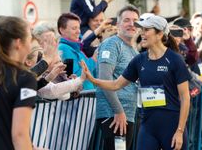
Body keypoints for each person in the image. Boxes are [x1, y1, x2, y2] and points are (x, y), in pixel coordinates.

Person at [81, 15, 191, 150]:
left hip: (171, 125)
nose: (142, 33)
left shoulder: (175, 60)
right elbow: (116, 84)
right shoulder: (139, 60)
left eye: (147, 30)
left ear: (160, 34)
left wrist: (180, 131)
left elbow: (185, 98)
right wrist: (92, 80)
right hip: (148, 126)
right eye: (142, 29)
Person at [93, 5, 139, 150]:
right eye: (126, 20)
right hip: (113, 114)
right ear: (118, 24)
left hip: (127, 114)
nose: (131, 24)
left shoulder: (133, 50)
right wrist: (118, 111)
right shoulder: (111, 44)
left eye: (135, 21)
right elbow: (105, 79)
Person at [0, 16, 37, 149]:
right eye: (30, 37)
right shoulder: (24, 77)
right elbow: (19, 135)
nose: (31, 43)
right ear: (18, 43)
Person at [57, 12, 96, 90]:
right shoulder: (63, 49)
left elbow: (92, 74)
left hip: (88, 96)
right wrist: (93, 60)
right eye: (74, 28)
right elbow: (72, 77)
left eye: (79, 28)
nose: (78, 31)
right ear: (62, 30)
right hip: (80, 98)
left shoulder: (77, 49)